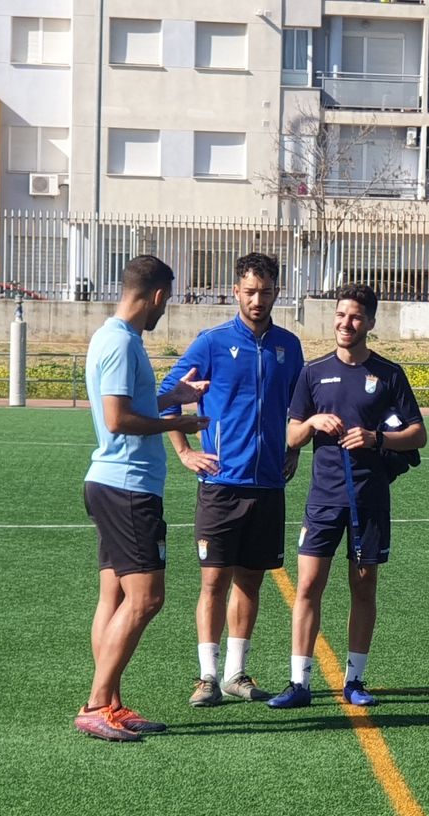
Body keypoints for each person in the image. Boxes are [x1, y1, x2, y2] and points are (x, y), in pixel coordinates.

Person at [159, 253, 305, 708]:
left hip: (268, 485)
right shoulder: (212, 342)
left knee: (251, 582)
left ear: (277, 291)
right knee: (213, 581)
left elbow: (300, 405)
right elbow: (167, 395)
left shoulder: (290, 346)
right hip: (222, 483)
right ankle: (206, 677)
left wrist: (294, 449)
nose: (257, 300)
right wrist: (185, 452)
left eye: (264, 291)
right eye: (249, 291)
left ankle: (235, 674)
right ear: (236, 292)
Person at [272, 283, 427, 709]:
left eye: (356, 317)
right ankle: (299, 682)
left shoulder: (390, 374)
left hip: (369, 498)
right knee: (308, 586)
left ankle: (355, 680)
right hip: (323, 498)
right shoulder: (313, 372)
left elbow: (418, 434)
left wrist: (377, 438)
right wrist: (313, 423)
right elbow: (291, 434)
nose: (346, 323)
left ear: (370, 323)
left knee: (363, 586)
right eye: (341, 315)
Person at [76, 255, 210, 742]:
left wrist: (175, 397)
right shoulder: (119, 342)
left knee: (113, 596)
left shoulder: (118, 338)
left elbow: (134, 404)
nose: (165, 310)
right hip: (127, 487)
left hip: (118, 485)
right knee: (147, 597)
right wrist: (179, 424)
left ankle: (108, 702)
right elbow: (117, 419)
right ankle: (95, 703)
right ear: (155, 296)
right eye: (167, 301)